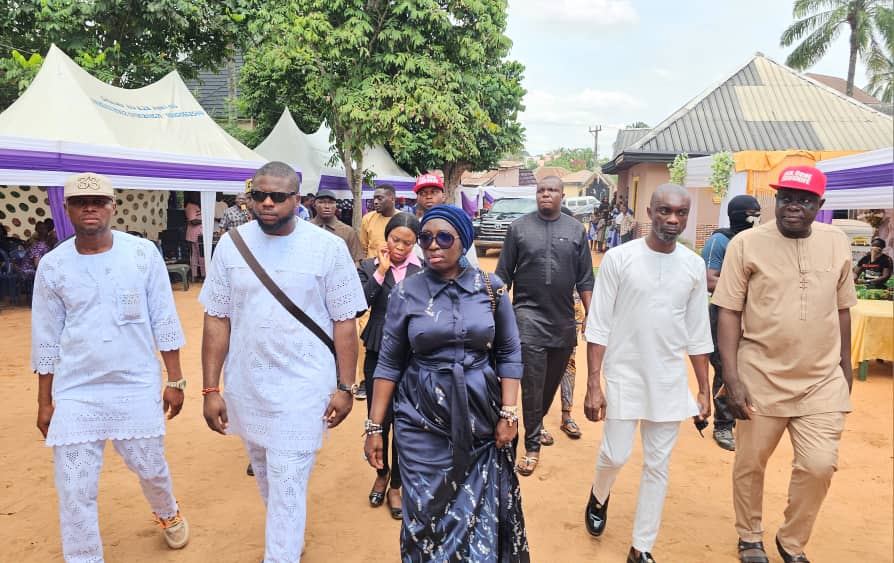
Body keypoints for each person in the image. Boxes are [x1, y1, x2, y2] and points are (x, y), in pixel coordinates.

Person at [200, 161, 366, 563]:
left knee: (287, 477)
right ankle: (289, 536)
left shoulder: (327, 248)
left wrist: (346, 387)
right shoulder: (231, 245)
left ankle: (281, 554)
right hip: (247, 385)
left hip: (304, 387)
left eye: (277, 196)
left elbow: (345, 323)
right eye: (259, 195)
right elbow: (217, 319)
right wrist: (210, 388)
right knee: (266, 475)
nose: (267, 203)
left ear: (297, 199)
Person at [31, 172, 190, 561]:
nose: (90, 208)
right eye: (80, 202)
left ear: (112, 206)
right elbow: (46, 336)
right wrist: (45, 401)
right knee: (73, 486)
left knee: (150, 467)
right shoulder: (53, 266)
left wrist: (176, 380)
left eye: (98, 201)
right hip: (77, 390)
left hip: (135, 383)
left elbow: (164, 319)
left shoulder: (142, 254)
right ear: (66, 209)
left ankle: (167, 511)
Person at [365, 204, 529, 562]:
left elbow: (509, 351)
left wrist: (509, 412)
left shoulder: (491, 288)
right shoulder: (406, 292)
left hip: (480, 415)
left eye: (443, 237)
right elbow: (389, 363)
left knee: (478, 512)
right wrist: (375, 427)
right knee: (425, 514)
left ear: (463, 240)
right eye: (425, 238)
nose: (433, 245)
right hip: (420, 417)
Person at [712, 166, 857, 563]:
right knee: (750, 463)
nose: (794, 206)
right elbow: (728, 311)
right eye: (786, 198)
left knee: (819, 465)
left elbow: (843, 308)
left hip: (821, 379)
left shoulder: (836, 242)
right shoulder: (746, 244)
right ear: (775, 200)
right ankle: (750, 537)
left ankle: (791, 541)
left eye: (804, 200)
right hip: (760, 375)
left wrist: (846, 366)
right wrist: (732, 377)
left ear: (820, 205)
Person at [583, 183, 712, 563]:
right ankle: (599, 495)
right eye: (665, 211)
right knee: (615, 454)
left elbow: (698, 332)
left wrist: (704, 389)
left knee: (658, 465)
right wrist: (593, 384)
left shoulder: (693, 265)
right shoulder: (619, 259)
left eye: (681, 213)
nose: (672, 219)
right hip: (624, 373)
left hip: (668, 379)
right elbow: (598, 325)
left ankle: (641, 547)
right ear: (649, 212)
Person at [495, 175, 594, 476]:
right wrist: (496, 315)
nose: (545, 195)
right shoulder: (518, 228)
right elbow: (502, 276)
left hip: (563, 321)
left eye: (552, 190)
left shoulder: (576, 230)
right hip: (527, 318)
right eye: (541, 190)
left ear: (562, 195)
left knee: (549, 386)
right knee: (532, 384)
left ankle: (536, 423)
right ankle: (532, 446)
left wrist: (591, 314)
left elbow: (585, 278)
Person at [357, 212, 422, 519]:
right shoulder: (368, 267)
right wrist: (382, 271)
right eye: (396, 240)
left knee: (405, 421)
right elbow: (359, 305)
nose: (400, 247)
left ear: (415, 244)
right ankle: (381, 474)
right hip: (378, 350)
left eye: (408, 243)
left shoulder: (423, 271)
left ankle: (396, 484)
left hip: (412, 355)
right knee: (379, 417)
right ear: (387, 237)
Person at [701, 194, 762, 451]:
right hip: (724, 312)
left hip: (754, 314)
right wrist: (745, 290)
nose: (755, 218)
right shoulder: (720, 240)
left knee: (751, 364)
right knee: (725, 366)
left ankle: (744, 416)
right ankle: (723, 425)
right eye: (750, 214)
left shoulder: (759, 241)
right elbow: (707, 279)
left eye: (758, 213)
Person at [411, 173, 479, 268]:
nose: (428, 196)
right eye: (423, 193)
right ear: (417, 198)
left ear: (443, 196)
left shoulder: (457, 222)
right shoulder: (413, 226)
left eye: (434, 192)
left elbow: (472, 264)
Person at [311, 189, 364, 265]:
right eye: (321, 202)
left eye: (331, 203)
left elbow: (356, 261)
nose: (327, 206)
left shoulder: (348, 232)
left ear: (336, 206)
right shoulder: (306, 228)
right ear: (314, 205)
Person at [360, 184, 398, 258]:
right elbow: (363, 248)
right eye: (374, 199)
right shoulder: (367, 218)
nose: (375, 202)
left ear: (392, 199)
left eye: (380, 198)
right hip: (371, 264)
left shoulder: (403, 219)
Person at [17, 220, 54, 286]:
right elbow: (37, 264)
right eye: (42, 229)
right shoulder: (39, 245)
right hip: (28, 271)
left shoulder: (45, 244)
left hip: (32, 270)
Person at [184, 191, 205, 280]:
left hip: (199, 233)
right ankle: (201, 275)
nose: (198, 196)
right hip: (195, 233)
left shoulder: (196, 205)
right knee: (199, 254)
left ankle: (196, 275)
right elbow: (192, 221)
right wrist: (205, 219)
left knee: (198, 254)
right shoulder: (191, 206)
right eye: (196, 194)